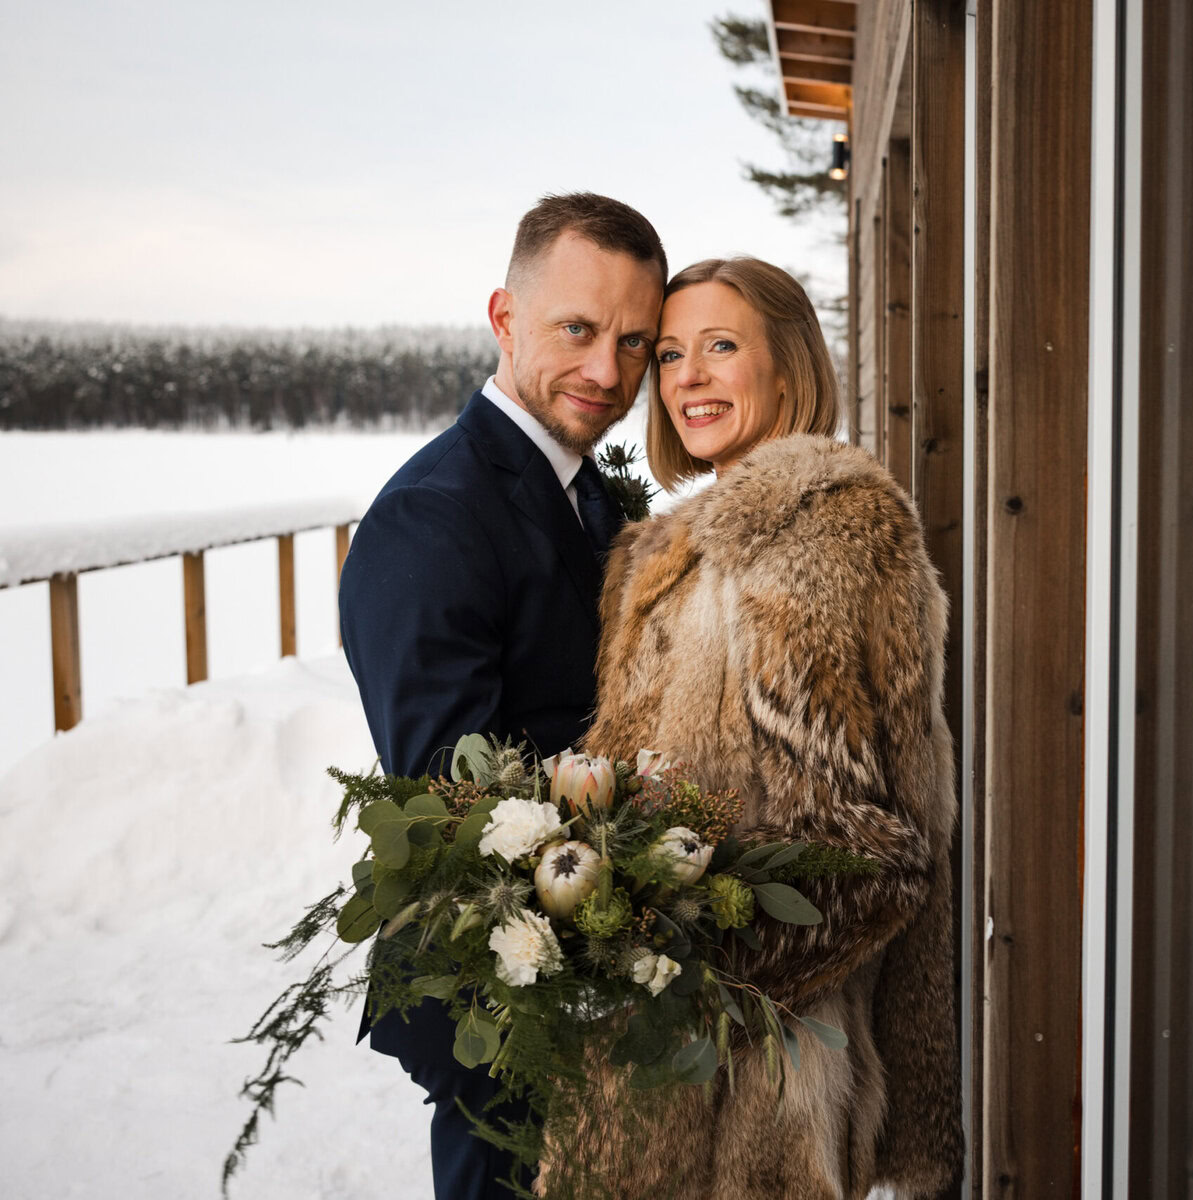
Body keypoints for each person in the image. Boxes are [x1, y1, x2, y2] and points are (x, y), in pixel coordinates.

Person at [551, 257, 961, 1199]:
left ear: (788, 367)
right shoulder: (661, 547)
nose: (688, 377)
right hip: (661, 1048)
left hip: (765, 1078)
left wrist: (673, 974)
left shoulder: (819, 528)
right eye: (669, 355)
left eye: (721, 347)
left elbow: (862, 850)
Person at [338, 192, 666, 1200]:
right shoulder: (434, 517)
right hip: (507, 1008)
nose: (606, 371)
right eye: (577, 329)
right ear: (504, 317)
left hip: (601, 995)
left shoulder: (586, 489)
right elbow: (457, 801)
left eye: (633, 342)